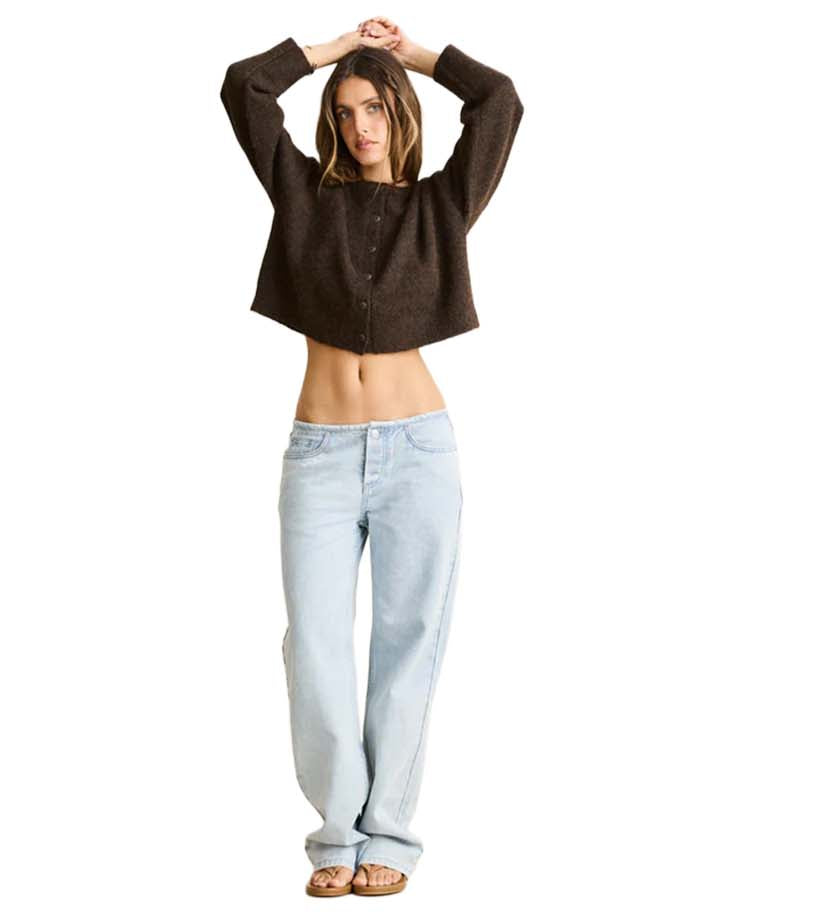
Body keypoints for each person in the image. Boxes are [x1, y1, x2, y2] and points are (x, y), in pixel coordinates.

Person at [220, 16, 523, 897]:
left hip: (418, 449)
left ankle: (389, 833)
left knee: (407, 643)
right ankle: (335, 835)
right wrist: (330, 50)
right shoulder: (302, 197)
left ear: (400, 112)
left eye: (376, 108)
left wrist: (412, 57)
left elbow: (499, 100)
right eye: (346, 111)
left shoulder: (442, 205)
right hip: (319, 455)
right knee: (315, 649)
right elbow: (244, 86)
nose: (361, 126)